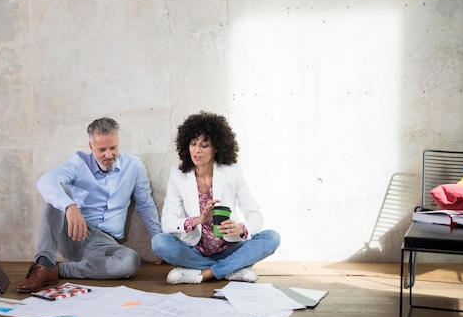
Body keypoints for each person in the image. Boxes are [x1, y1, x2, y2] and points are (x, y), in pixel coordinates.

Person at [17, 117, 161, 292]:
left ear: (118, 142)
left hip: (105, 245)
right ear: (91, 147)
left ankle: (56, 271)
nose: (108, 155)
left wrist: (157, 240)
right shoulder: (78, 163)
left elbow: (145, 204)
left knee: (131, 261)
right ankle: (44, 263)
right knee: (58, 191)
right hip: (75, 235)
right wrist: (70, 206)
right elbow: (45, 181)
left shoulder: (134, 166)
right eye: (102, 150)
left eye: (113, 148)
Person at [152, 111, 280, 284]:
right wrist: (198, 219)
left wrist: (241, 228)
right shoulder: (178, 175)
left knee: (272, 237)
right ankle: (231, 270)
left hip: (230, 248)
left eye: (204, 145)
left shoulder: (232, 171)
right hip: (195, 250)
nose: (196, 150)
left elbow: (255, 216)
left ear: (216, 147)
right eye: (193, 143)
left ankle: (205, 273)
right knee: (159, 242)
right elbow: (167, 223)